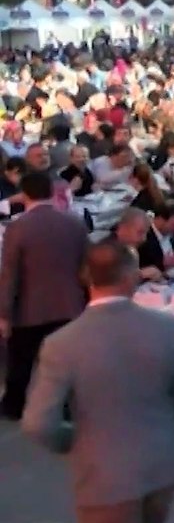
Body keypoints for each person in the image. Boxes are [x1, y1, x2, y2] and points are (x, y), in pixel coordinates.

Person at [21, 239, 174, 523]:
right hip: (163, 464)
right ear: (131, 277)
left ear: (86, 278)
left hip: (103, 479)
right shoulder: (168, 327)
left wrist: (76, 441)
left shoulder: (62, 344)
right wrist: (173, 434)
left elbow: (39, 423)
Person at [0, 171, 90, 420]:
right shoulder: (74, 222)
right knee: (67, 361)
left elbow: (10, 274)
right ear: (51, 191)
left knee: (21, 363)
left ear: (24, 194)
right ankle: (67, 408)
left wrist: (4, 313)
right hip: (69, 304)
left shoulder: (17, 228)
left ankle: (14, 406)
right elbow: (85, 268)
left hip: (29, 308)